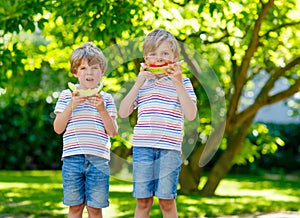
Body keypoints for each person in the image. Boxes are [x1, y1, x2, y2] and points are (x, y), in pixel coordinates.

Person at [119, 29, 197, 218]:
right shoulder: (142, 83)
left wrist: (177, 81)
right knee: (143, 201)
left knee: (167, 202)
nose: (159, 58)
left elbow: (191, 114)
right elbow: (123, 112)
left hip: (169, 149)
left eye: (165, 53)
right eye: (153, 54)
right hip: (142, 148)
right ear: (145, 58)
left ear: (175, 57)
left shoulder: (183, 82)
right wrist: (138, 83)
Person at [53, 42, 118, 218]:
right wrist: (70, 107)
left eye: (94, 68)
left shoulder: (106, 99)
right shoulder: (67, 96)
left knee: (95, 209)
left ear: (102, 71)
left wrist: (103, 110)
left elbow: (113, 132)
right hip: (72, 159)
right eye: (83, 68)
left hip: (98, 160)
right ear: (75, 72)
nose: (89, 72)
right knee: (75, 207)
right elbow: (58, 129)